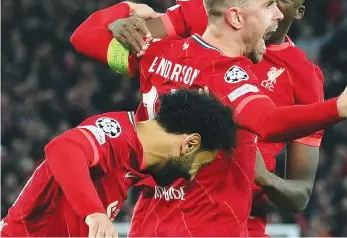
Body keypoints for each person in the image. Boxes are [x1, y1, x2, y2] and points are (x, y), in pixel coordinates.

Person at [71, 0, 347, 236]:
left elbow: (85, 37)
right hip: (210, 224)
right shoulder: (225, 72)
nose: (276, 11)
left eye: (282, 0)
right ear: (236, 16)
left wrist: (125, 10)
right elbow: (266, 121)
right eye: (267, 2)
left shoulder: (158, 52)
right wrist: (341, 107)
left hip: (155, 219)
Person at [106, 0, 325, 236]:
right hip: (161, 213)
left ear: (299, 11)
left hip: (233, 223)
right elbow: (121, 43)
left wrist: (265, 179)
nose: (272, 3)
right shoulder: (205, 20)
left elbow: (300, 195)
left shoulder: (303, 78)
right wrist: (118, 25)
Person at [0, 89, 237, 238]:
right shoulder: (118, 136)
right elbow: (63, 149)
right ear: (190, 144)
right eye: (198, 165)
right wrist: (95, 214)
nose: (191, 176)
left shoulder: (137, 162)